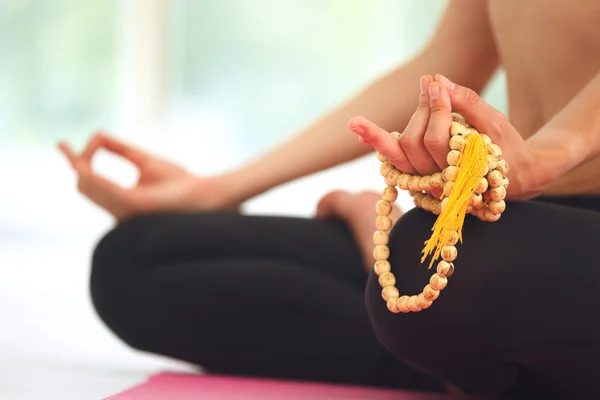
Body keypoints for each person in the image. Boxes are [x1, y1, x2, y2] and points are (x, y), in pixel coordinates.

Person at [59, 0, 600, 397]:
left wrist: (546, 155)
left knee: (415, 256)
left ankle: (455, 339)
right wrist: (219, 189)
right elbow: (447, 61)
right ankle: (481, 357)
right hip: (510, 227)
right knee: (136, 260)